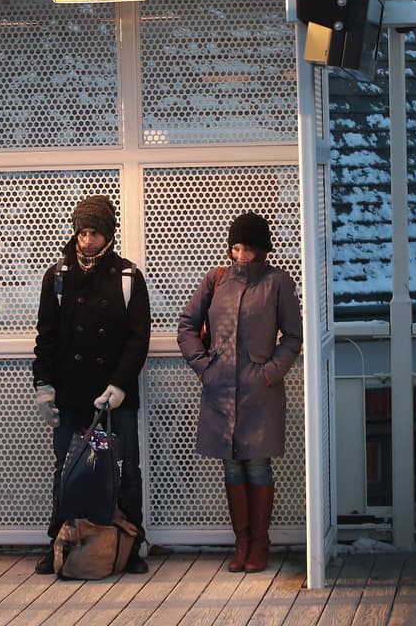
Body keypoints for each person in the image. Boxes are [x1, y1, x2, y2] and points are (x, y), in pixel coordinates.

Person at [176, 212, 303, 573]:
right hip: (220, 390)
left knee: (258, 464)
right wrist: (204, 366)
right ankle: (241, 542)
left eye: (246, 248)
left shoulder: (278, 282)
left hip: (259, 391)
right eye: (235, 247)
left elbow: (293, 335)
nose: (239, 255)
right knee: (231, 465)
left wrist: (269, 373)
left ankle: (260, 543)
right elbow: (186, 325)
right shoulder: (216, 279)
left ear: (261, 250)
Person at [32, 194, 152, 575]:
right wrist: (43, 385)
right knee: (67, 470)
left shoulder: (129, 276)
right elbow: (46, 336)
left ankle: (131, 545)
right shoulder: (58, 276)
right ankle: (59, 544)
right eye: (82, 232)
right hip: (71, 394)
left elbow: (139, 337)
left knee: (124, 470)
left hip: (116, 397)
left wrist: (118, 385)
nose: (87, 240)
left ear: (108, 235)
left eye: (95, 233)